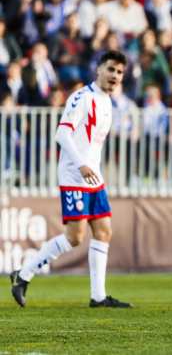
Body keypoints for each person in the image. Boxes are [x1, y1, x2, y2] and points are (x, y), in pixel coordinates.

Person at [10, 50, 132, 309]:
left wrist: (92, 167)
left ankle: (98, 296)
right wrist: (82, 164)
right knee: (75, 237)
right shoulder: (82, 97)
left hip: (92, 176)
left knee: (103, 231)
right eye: (111, 69)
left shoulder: (108, 102)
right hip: (74, 175)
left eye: (120, 72)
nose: (115, 76)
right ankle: (23, 274)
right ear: (98, 69)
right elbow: (62, 135)